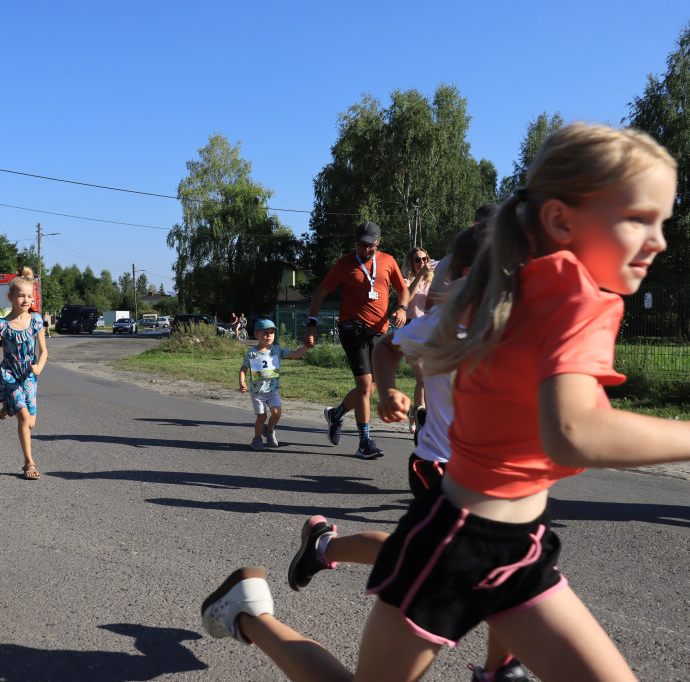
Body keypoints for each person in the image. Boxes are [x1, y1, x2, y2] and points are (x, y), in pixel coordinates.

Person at [201, 123, 680, 681]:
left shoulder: (531, 292)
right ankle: (251, 614)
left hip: (519, 545)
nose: (659, 240)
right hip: (461, 544)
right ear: (560, 220)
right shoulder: (576, 298)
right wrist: (385, 387)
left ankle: (494, 668)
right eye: (639, 219)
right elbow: (573, 431)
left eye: (663, 222)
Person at [286, 219, 532, 682]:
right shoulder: (440, 325)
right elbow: (387, 349)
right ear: (469, 278)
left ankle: (323, 545)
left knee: (488, 557)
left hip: (497, 474)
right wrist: (385, 391)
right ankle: (503, 665)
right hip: (438, 464)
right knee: (465, 558)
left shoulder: (522, 327)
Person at [305, 221, 409, 459]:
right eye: (361, 245)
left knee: (370, 388)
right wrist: (311, 325)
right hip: (352, 328)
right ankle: (365, 442)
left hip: (379, 331)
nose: (365, 250)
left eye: (370, 245)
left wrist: (402, 308)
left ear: (378, 242)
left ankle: (336, 414)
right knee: (364, 386)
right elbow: (320, 293)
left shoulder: (388, 261)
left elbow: (402, 289)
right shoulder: (343, 265)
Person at [0, 267, 48, 480]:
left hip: (29, 374)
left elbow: (44, 351)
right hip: (9, 374)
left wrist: (39, 367)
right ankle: (29, 462)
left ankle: (8, 405)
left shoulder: (36, 321)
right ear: (10, 297)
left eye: (29, 296)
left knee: (31, 423)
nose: (26, 300)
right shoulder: (2, 324)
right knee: (24, 418)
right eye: (21, 295)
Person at [238, 319, 309, 450]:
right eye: (265, 333)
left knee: (277, 413)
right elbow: (244, 369)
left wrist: (306, 347)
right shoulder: (252, 352)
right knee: (262, 416)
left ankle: (269, 430)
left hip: (272, 390)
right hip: (257, 392)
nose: (269, 335)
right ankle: (257, 439)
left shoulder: (277, 350)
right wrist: (241, 382)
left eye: (271, 333)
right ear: (256, 334)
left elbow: (294, 354)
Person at [402, 246, 434, 433]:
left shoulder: (433, 281)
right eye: (418, 260)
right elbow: (406, 298)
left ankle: (416, 417)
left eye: (424, 259)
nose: (422, 262)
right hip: (412, 329)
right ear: (411, 263)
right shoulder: (407, 280)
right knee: (424, 379)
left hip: (430, 330)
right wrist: (420, 276)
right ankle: (425, 420)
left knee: (423, 379)